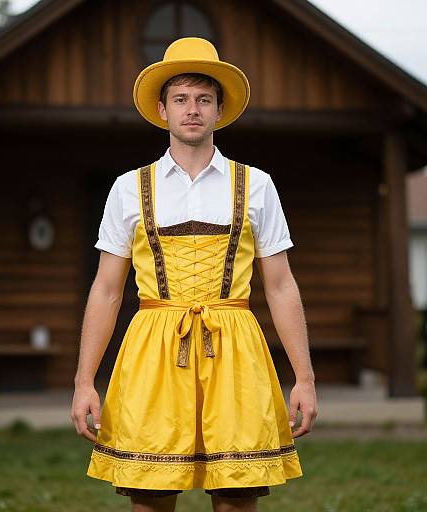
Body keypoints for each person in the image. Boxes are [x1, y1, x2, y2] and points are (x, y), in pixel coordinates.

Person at [71, 37, 318, 512]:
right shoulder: (128, 188)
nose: (192, 110)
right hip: (153, 347)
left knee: (236, 495)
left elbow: (282, 284)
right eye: (181, 99)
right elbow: (105, 290)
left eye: (203, 99)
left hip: (236, 347)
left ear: (219, 110)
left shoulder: (257, 184)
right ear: (162, 109)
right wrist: (85, 381)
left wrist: (304, 378)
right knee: (151, 495)